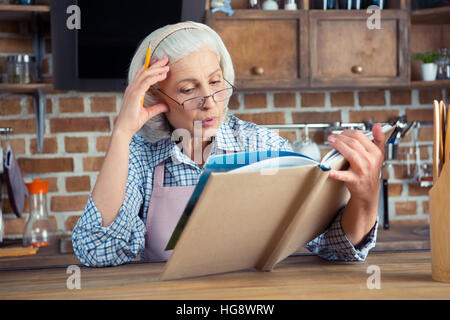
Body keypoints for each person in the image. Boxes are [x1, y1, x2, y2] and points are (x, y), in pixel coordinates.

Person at [72, 21, 385, 267]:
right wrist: (122, 134)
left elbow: (333, 247)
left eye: (215, 81)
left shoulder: (259, 143)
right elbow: (98, 251)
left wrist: (366, 199)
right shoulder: (140, 155)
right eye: (187, 88)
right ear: (154, 98)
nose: (209, 102)